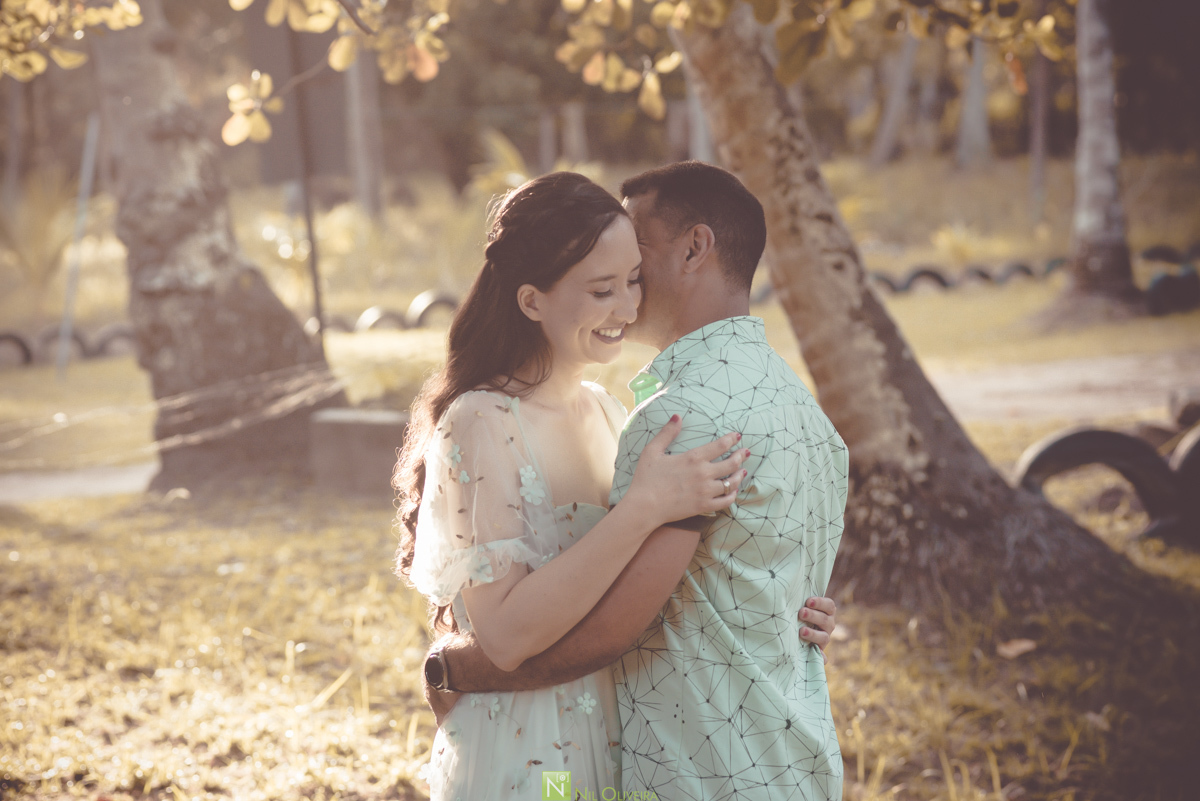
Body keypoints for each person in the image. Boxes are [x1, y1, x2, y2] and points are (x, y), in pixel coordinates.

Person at [411, 162, 848, 801]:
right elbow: (506, 635)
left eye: (633, 279)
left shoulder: (614, 413)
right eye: (602, 289)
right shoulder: (483, 420)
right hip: (541, 752)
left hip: (621, 735)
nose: (627, 305)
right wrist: (639, 510)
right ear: (532, 300)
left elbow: (663, 589)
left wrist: (781, 605)